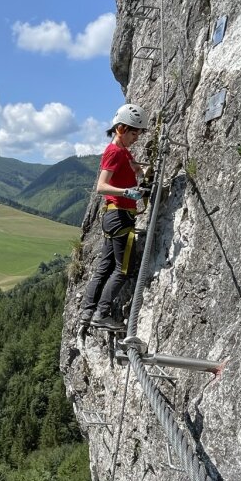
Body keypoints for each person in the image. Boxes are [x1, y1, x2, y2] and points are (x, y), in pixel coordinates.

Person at [78, 104, 150, 333]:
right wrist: (126, 192)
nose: (136, 138)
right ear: (120, 128)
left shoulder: (123, 152)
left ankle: (87, 311)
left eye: (138, 133)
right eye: (133, 132)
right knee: (122, 270)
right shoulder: (114, 152)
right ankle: (101, 314)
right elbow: (101, 186)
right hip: (119, 215)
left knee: (105, 266)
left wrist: (142, 173)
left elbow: (137, 170)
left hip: (114, 215)